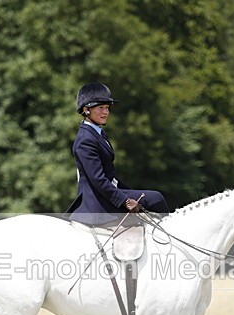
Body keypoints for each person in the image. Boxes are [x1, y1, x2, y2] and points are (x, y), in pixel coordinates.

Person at [65, 82, 169, 226]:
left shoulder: (97, 133)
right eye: (100, 108)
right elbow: (98, 180)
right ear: (86, 110)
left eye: (107, 108)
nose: (105, 112)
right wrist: (124, 200)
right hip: (97, 201)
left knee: (150, 198)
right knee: (156, 198)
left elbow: (110, 177)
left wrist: (129, 192)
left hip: (106, 193)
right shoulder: (85, 140)